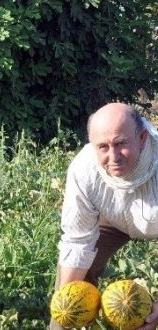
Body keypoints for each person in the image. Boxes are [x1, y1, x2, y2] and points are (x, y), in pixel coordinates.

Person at [51, 103, 158, 329]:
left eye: (121, 144)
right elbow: (77, 240)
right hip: (113, 218)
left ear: (142, 138)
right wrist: (66, 308)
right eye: (103, 147)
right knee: (70, 289)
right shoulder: (83, 169)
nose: (113, 156)